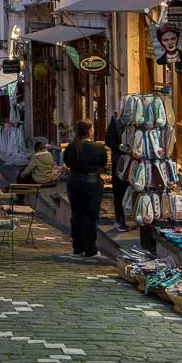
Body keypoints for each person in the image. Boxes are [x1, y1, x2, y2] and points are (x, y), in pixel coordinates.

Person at [63, 120, 108, 259]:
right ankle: (90, 249)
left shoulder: (71, 147)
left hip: (75, 182)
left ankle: (78, 248)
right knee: (90, 216)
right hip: (92, 183)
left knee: (77, 215)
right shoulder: (98, 148)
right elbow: (103, 163)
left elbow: (67, 162)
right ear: (89, 131)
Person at [104, 111, 129, 232]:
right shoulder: (116, 120)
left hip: (140, 162)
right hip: (120, 162)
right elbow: (108, 140)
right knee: (119, 192)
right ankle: (120, 219)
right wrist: (120, 148)